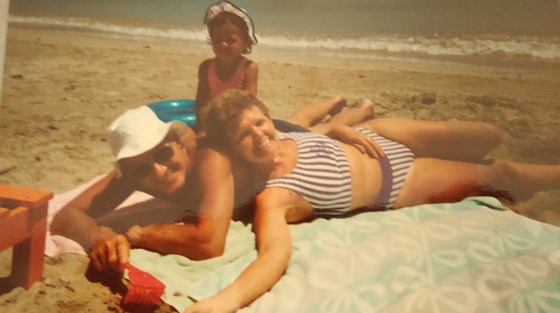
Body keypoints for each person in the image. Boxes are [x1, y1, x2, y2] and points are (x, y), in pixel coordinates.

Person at [184, 89, 560, 312]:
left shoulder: (286, 134)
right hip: (400, 181)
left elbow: (312, 130)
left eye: (259, 122)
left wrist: (339, 128)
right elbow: (274, 255)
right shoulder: (275, 195)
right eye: (243, 135)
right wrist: (222, 302)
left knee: (488, 136)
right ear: (234, 149)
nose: (259, 135)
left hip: (377, 135)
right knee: (503, 174)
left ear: (268, 117)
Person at [50, 105, 380, 273]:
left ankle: (360, 109)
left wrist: (135, 235)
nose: (159, 170)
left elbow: (208, 242)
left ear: (177, 142)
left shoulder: (211, 157)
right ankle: (342, 104)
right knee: (301, 120)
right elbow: (67, 215)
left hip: (277, 142)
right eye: (142, 169)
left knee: (306, 127)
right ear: (131, 174)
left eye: (163, 154)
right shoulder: (136, 167)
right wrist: (99, 237)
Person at [195, 0, 373, 133]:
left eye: (231, 40)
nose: (223, 44)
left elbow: (247, 107)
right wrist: (203, 128)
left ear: (245, 42)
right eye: (218, 40)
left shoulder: (249, 68)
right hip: (222, 125)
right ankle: (335, 101)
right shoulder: (206, 68)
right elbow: (201, 104)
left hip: (248, 125)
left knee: (319, 130)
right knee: (297, 119)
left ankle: (365, 109)